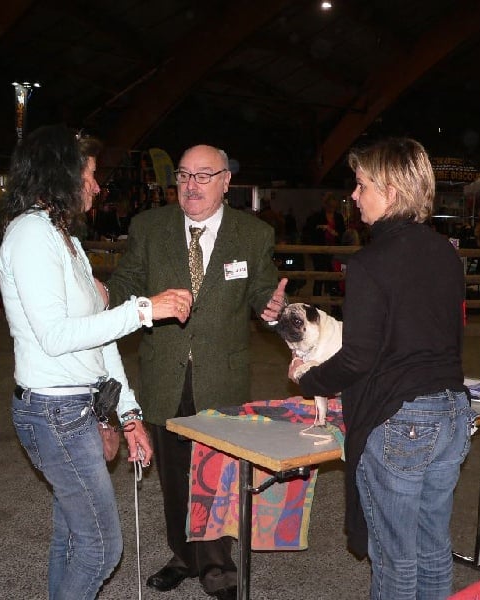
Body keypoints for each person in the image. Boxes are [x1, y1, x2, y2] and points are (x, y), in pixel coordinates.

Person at [0, 124, 193, 600]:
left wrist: (127, 416)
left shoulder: (65, 239)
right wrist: (146, 308)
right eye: (89, 173)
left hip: (76, 407)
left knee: (73, 536)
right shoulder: (30, 235)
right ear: (61, 174)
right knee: (102, 547)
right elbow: (57, 336)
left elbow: (101, 339)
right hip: (52, 410)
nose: (97, 185)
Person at [288, 138, 476, 600]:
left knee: (394, 558)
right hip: (452, 415)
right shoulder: (446, 253)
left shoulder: (370, 263)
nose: (354, 195)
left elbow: (357, 358)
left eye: (361, 184)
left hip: (402, 420)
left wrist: (306, 378)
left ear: (390, 191)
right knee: (432, 547)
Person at [106, 144, 287, 600]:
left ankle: (217, 565)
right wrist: (98, 294)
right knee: (172, 474)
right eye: (184, 175)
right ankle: (183, 556)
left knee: (217, 473)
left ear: (227, 181)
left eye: (204, 176)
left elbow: (261, 288)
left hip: (221, 375)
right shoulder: (149, 228)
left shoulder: (253, 234)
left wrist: (270, 306)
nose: (191, 185)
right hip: (163, 371)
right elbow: (126, 284)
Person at [303, 191, 345, 298]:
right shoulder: (316, 217)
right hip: (320, 253)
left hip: (335, 252)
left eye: (334, 206)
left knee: (335, 279)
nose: (332, 208)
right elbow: (308, 233)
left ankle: (335, 307)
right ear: (325, 205)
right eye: (330, 206)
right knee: (319, 279)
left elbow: (343, 234)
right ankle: (316, 307)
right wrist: (320, 229)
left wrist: (334, 233)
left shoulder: (339, 217)